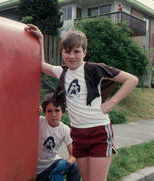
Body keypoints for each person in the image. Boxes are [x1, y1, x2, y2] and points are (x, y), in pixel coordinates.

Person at [26, 25, 139, 181]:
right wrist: (40, 39)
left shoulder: (94, 69)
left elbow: (132, 80)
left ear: (84, 52)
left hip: (98, 131)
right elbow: (41, 65)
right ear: (62, 52)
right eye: (67, 51)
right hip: (78, 134)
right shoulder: (63, 72)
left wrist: (111, 103)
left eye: (76, 51)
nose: (71, 56)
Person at [36, 93, 81, 181]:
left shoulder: (65, 129)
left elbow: (74, 154)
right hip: (36, 170)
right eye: (49, 111)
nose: (53, 115)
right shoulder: (39, 121)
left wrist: (66, 164)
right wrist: (35, 111)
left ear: (63, 112)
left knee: (76, 166)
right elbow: (23, 115)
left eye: (57, 110)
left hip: (53, 165)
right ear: (44, 112)